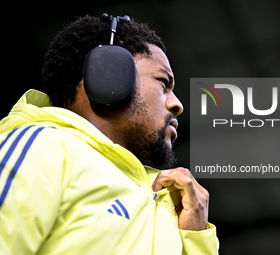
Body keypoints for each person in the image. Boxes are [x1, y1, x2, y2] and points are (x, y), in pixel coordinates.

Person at [0, 14, 218, 254]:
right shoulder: (42, 147)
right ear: (109, 74)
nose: (177, 105)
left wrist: (195, 240)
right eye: (163, 83)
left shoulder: (171, 202)